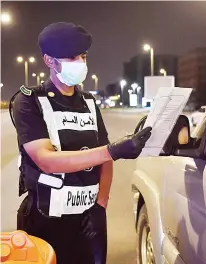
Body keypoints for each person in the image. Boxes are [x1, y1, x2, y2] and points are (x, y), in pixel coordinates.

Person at [10, 22, 152, 264]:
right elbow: (46, 161)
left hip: (90, 219)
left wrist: (101, 205)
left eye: (83, 56)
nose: (80, 63)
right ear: (49, 60)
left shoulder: (89, 102)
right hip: (46, 221)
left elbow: (105, 160)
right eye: (71, 57)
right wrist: (113, 150)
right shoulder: (28, 102)